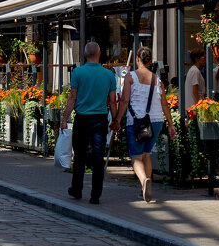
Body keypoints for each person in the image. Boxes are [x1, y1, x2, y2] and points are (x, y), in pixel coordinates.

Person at [60, 42, 118, 205]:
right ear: (100, 54)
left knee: (79, 155)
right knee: (98, 156)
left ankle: (77, 188)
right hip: (100, 118)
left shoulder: (78, 72)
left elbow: (72, 97)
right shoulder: (109, 75)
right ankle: (95, 194)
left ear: (85, 55)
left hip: (82, 118)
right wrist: (115, 120)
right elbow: (113, 101)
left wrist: (65, 118)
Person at [115, 47, 171, 203]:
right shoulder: (157, 79)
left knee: (135, 156)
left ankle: (144, 181)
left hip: (137, 121)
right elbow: (165, 104)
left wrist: (118, 120)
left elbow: (125, 101)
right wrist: (171, 125)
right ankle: (144, 188)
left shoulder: (131, 77)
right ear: (150, 61)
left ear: (137, 59)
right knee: (146, 154)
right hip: (156, 120)